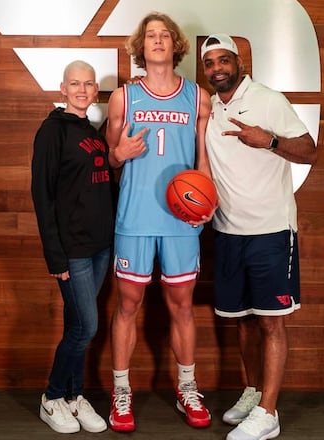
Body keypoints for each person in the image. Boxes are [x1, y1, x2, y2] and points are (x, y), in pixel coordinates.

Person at [200, 34, 317, 440]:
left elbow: (309, 150)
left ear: (239, 61)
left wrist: (267, 140)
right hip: (228, 232)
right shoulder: (211, 108)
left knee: (270, 323)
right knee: (242, 323)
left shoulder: (268, 99)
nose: (218, 68)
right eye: (210, 62)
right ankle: (252, 393)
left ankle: (269, 413)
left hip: (270, 230)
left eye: (224, 59)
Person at [104, 12, 213, 432]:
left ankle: (187, 388)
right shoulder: (124, 98)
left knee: (182, 306)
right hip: (134, 217)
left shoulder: (197, 98)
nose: (157, 41)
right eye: (150, 36)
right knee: (127, 305)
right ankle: (121, 394)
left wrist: (206, 201)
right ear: (140, 46)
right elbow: (111, 158)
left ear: (176, 45)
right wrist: (120, 155)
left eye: (164, 35)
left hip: (181, 221)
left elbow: (202, 161)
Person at [31, 60, 112, 434]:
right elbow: (42, 194)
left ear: (96, 90)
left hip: (99, 246)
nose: (82, 89)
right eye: (74, 83)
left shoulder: (92, 131)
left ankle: (73, 397)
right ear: (62, 89)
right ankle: (51, 397)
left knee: (76, 323)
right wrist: (55, 254)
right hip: (73, 250)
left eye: (89, 84)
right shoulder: (52, 131)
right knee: (86, 328)